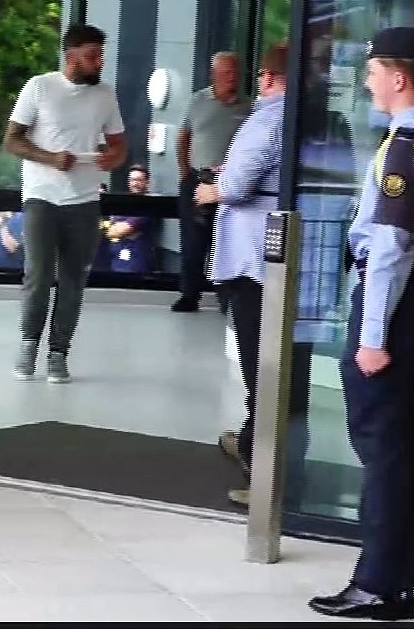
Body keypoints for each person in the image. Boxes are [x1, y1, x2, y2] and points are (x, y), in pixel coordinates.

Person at [308, 28, 414, 621]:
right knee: (404, 444)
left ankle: (377, 583)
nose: (368, 80)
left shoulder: (403, 147)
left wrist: (373, 336)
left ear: (399, 78)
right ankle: (399, 574)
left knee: (382, 446)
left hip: (397, 307)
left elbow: (392, 249)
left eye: (373, 71)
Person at [3, 23, 128, 383]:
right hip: (42, 195)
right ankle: (29, 344)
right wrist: (50, 157)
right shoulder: (40, 87)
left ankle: (59, 352)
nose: (99, 62)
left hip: (85, 200)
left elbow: (119, 146)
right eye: (92, 56)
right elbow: (11, 141)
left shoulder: (106, 94)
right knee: (39, 274)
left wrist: (113, 158)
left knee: (73, 280)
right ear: (70, 55)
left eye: (101, 55)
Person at [194, 42, 288, 505]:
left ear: (267, 79)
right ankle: (255, 440)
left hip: (256, 258)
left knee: (260, 363)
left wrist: (211, 189)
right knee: (285, 362)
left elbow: (236, 185)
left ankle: (264, 470)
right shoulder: (325, 118)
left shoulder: (269, 116)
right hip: (297, 260)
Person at [174, 52, 252, 313]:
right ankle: (189, 295)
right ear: (214, 74)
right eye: (227, 72)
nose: (233, 77)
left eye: (236, 72)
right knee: (193, 240)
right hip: (198, 178)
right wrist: (185, 171)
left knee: (228, 239)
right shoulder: (198, 100)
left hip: (231, 183)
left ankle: (226, 299)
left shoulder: (248, 106)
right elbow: (182, 137)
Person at [104, 164, 157, 274]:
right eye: (132, 180)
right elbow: (109, 229)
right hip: (116, 261)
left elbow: (115, 231)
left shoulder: (148, 205)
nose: (135, 183)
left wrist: (117, 226)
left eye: (139, 180)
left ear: (147, 182)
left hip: (135, 264)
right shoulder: (127, 203)